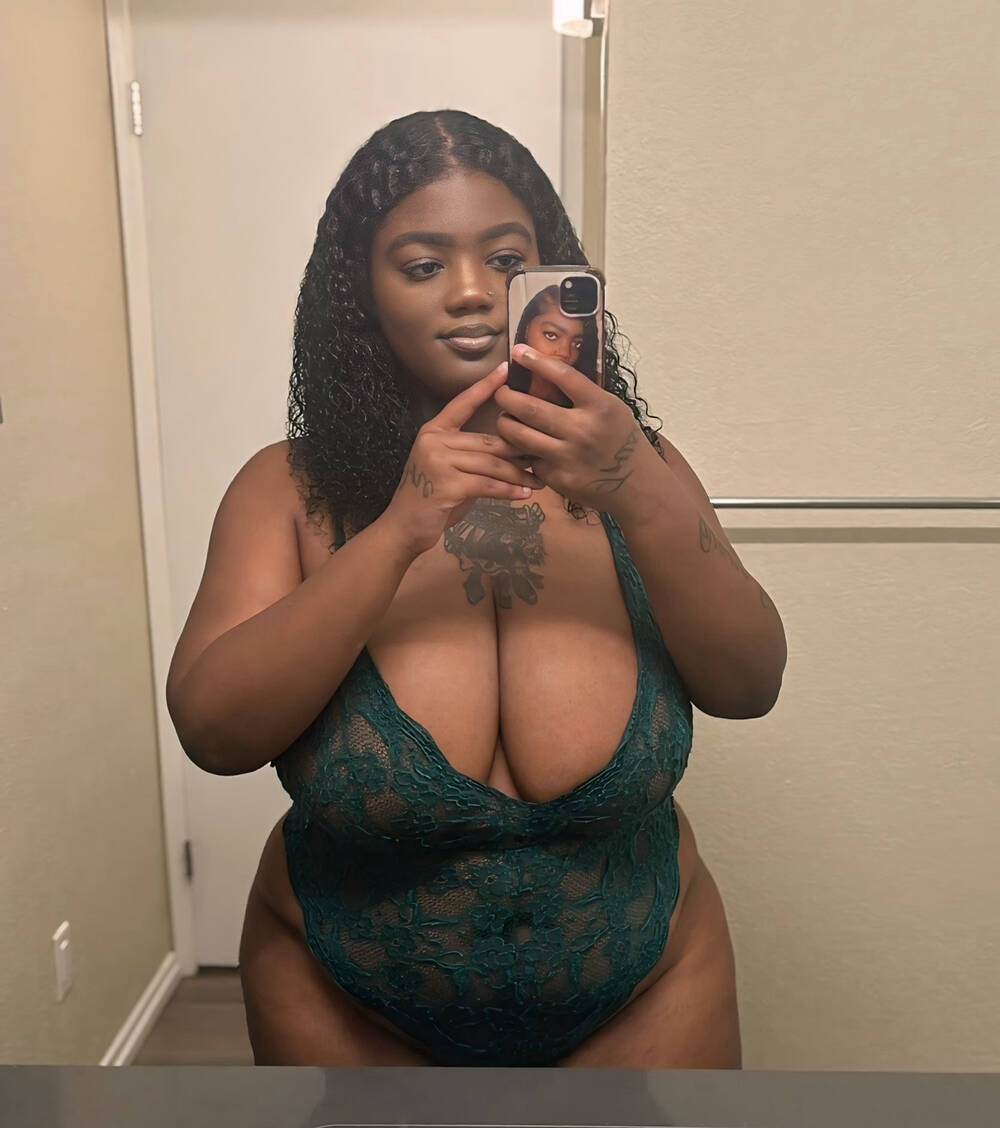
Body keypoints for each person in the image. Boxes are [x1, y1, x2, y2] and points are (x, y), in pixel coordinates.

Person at [166, 108, 770, 1067]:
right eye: (422, 265)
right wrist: (398, 531)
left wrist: (636, 486)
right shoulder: (286, 489)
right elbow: (213, 732)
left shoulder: (640, 469)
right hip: (342, 1001)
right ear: (361, 294)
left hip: (651, 986)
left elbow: (750, 683)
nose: (473, 293)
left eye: (506, 259)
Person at [510, 284, 599, 405]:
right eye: (551, 335)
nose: (565, 353)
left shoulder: (592, 394)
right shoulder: (504, 385)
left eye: (577, 344)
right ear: (526, 329)